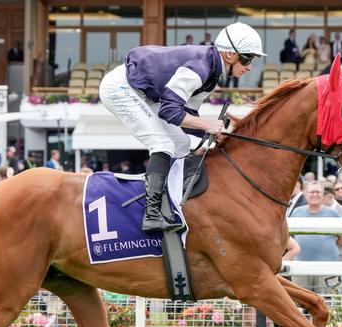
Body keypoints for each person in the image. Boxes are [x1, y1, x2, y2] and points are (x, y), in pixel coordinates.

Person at [100, 22, 265, 232]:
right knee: (162, 143)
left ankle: (170, 204)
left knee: (181, 142)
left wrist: (213, 131)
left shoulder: (212, 73)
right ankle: (151, 215)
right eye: (247, 57)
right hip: (121, 87)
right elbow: (169, 111)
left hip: (147, 93)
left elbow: (186, 116)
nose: (250, 66)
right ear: (229, 55)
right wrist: (207, 125)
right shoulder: (200, 68)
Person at [291, 181, 342, 294]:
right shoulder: (297, 212)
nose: (315, 195)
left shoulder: (334, 214)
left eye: (318, 192)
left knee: (326, 302)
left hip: (326, 268)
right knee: (300, 302)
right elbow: (291, 237)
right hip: (301, 267)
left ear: (323, 194)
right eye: (312, 192)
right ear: (305, 193)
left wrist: (326, 247)